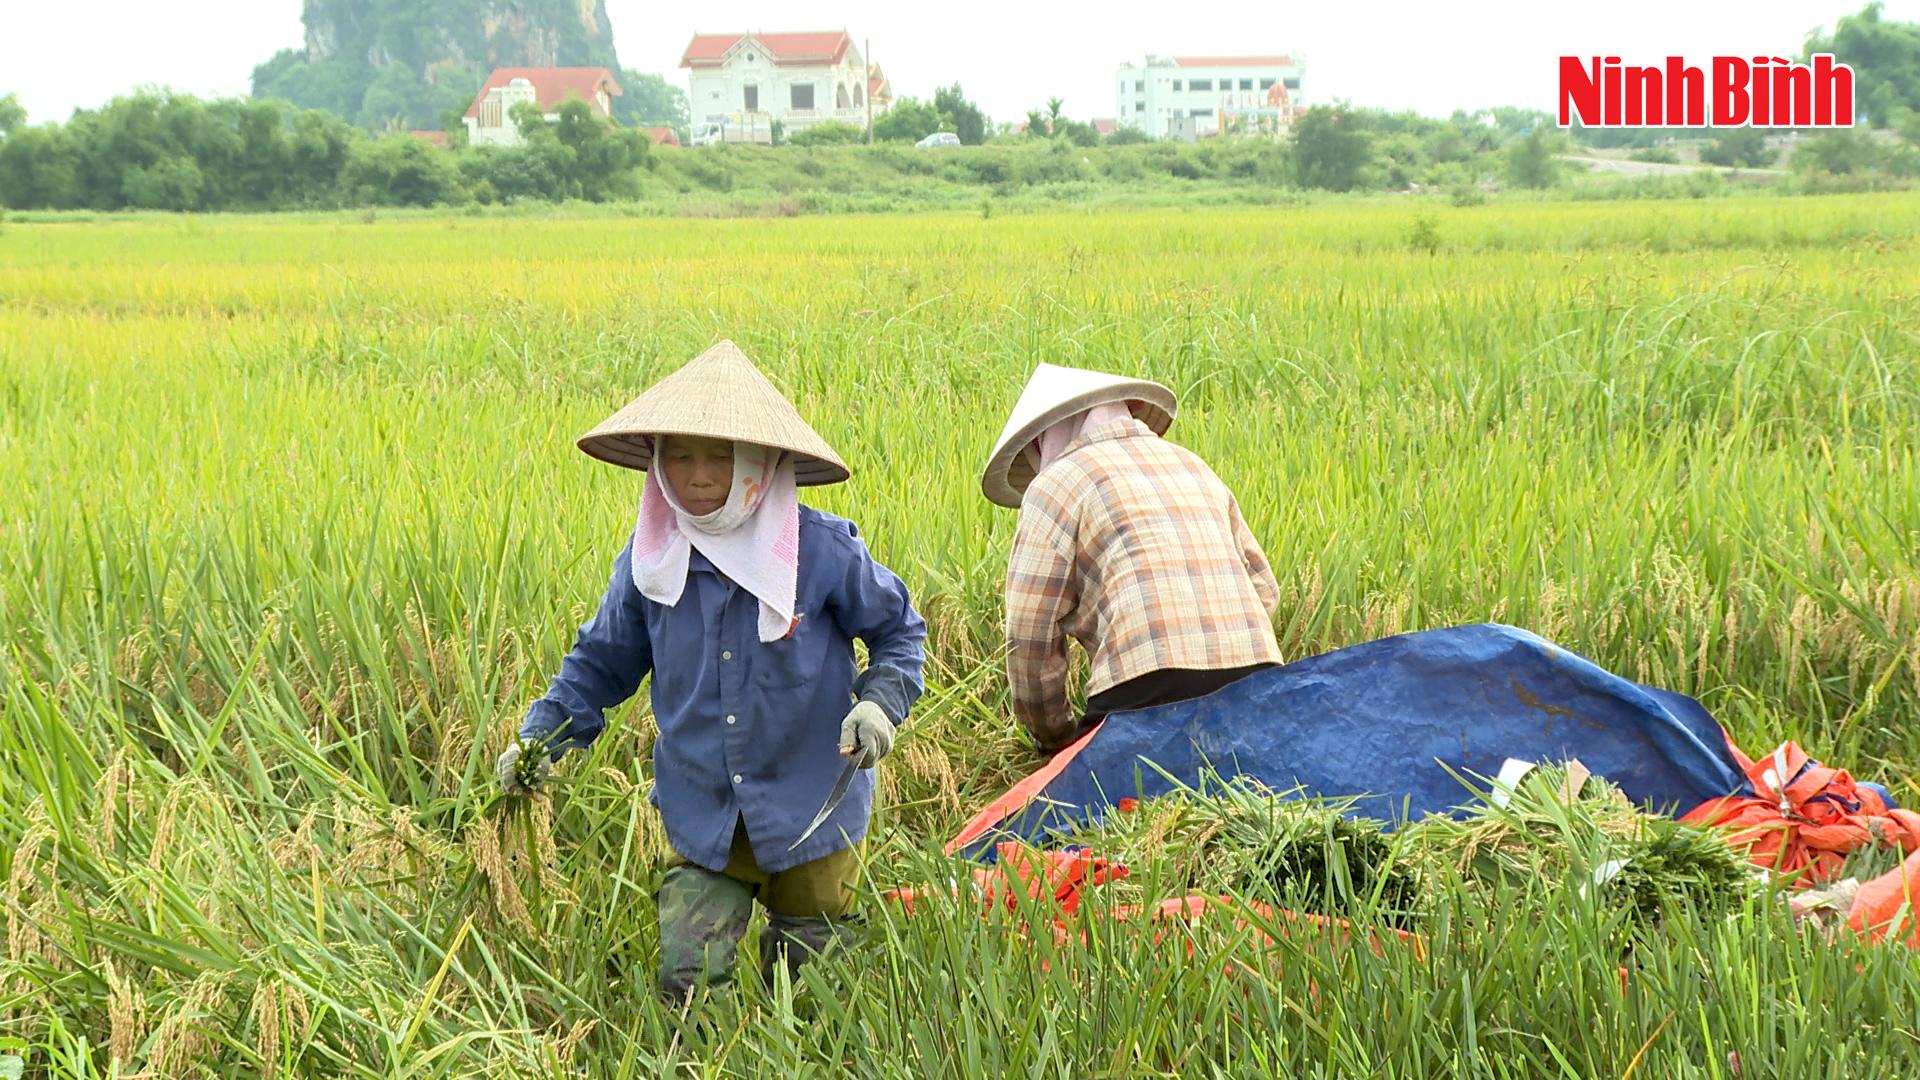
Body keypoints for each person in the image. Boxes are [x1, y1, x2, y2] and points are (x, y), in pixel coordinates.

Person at [497, 340, 928, 1000]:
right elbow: (598, 664)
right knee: (690, 984)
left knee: (816, 988)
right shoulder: (652, 564)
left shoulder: (821, 551)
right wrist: (540, 741)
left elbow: (900, 632)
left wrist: (879, 702)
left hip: (810, 806)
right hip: (705, 814)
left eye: (718, 457)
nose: (696, 475)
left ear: (758, 462)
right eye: (679, 455)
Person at [981, 362, 1282, 755]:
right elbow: (1264, 588)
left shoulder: (1053, 486)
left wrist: (1055, 738)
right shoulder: (1194, 465)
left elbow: (1029, 636)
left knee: (1105, 807)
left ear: (1044, 439)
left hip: (1145, 693)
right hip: (1259, 681)